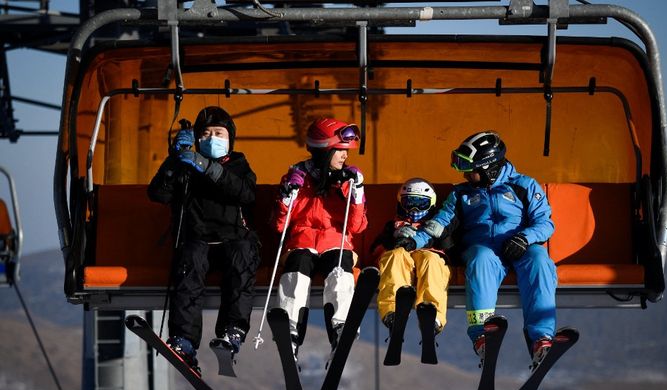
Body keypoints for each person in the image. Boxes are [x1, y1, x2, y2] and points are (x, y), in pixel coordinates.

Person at [411, 131, 557, 369]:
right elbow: (439, 224)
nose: (467, 176)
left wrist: (524, 238)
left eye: (472, 170)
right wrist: (414, 241)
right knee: (481, 259)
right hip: (483, 249)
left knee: (540, 259)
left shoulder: (524, 186)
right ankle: (482, 334)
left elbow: (545, 223)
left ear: (490, 168)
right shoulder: (461, 194)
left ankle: (540, 337)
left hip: (520, 247)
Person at [147, 106, 260, 374]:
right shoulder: (186, 168)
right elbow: (158, 194)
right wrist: (174, 161)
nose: (212, 138)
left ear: (230, 138)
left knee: (242, 257)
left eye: (218, 133)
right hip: (198, 240)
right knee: (190, 263)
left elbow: (245, 194)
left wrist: (207, 167)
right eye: (206, 134)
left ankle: (232, 331)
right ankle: (184, 341)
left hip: (233, 240)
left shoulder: (239, 165)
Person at [273, 117, 368, 362]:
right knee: (296, 270)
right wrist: (286, 195)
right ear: (324, 149)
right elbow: (280, 225)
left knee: (339, 270)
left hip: (336, 240)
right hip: (302, 239)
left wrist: (356, 192)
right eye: (340, 150)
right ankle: (290, 330)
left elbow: (356, 226)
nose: (345, 156)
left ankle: (341, 327)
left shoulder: (347, 179)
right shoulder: (297, 178)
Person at [370, 178, 452, 335]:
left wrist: (443, 236)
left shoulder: (436, 225)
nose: (415, 209)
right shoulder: (394, 226)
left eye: (421, 204)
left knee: (431, 259)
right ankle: (392, 311)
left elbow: (451, 252)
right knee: (395, 255)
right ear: (401, 203)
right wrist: (393, 237)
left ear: (431, 204)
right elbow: (375, 250)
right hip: (403, 263)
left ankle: (431, 314)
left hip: (429, 261)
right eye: (409, 203)